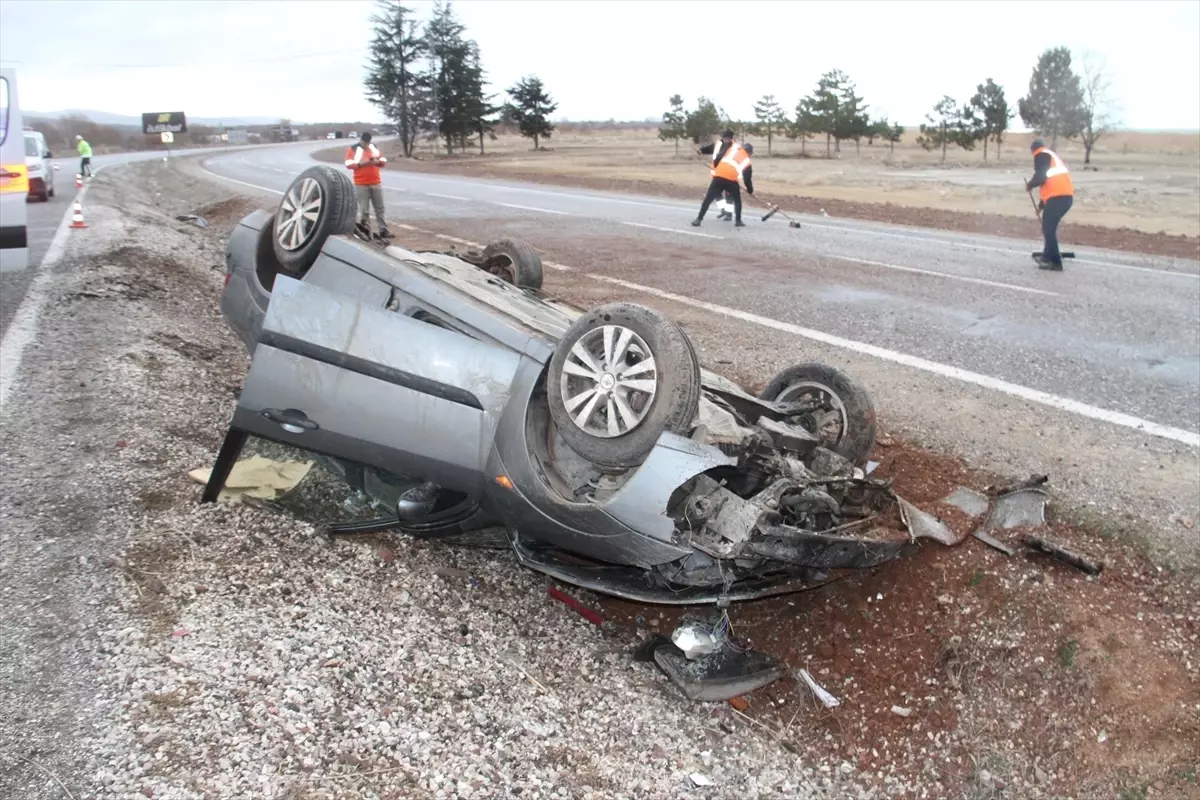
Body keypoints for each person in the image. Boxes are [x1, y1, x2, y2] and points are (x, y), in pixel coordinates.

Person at [1026, 137, 1074, 271]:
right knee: (1049, 228)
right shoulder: (1051, 156)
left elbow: (1041, 176)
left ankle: (1055, 262)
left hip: (1058, 198)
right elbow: (1049, 185)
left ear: (1033, 150)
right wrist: (1041, 207)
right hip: (1064, 197)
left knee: (1048, 229)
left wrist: (1030, 185)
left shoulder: (1041, 154)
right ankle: (1047, 256)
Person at [691, 130, 754, 228]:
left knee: (708, 199)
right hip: (731, 180)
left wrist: (717, 168)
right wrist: (750, 190)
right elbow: (747, 179)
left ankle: (698, 219)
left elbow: (719, 157)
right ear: (750, 153)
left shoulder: (733, 149)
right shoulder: (746, 160)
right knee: (737, 200)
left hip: (718, 176)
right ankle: (738, 221)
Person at [344, 131, 392, 240]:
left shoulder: (373, 148)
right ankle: (366, 231)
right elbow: (348, 164)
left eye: (368, 143)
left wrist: (377, 162)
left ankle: (383, 230)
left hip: (375, 181)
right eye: (364, 143)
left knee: (380, 208)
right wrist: (362, 164)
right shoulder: (353, 149)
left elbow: (383, 159)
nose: (366, 145)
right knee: (364, 210)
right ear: (361, 140)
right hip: (361, 183)